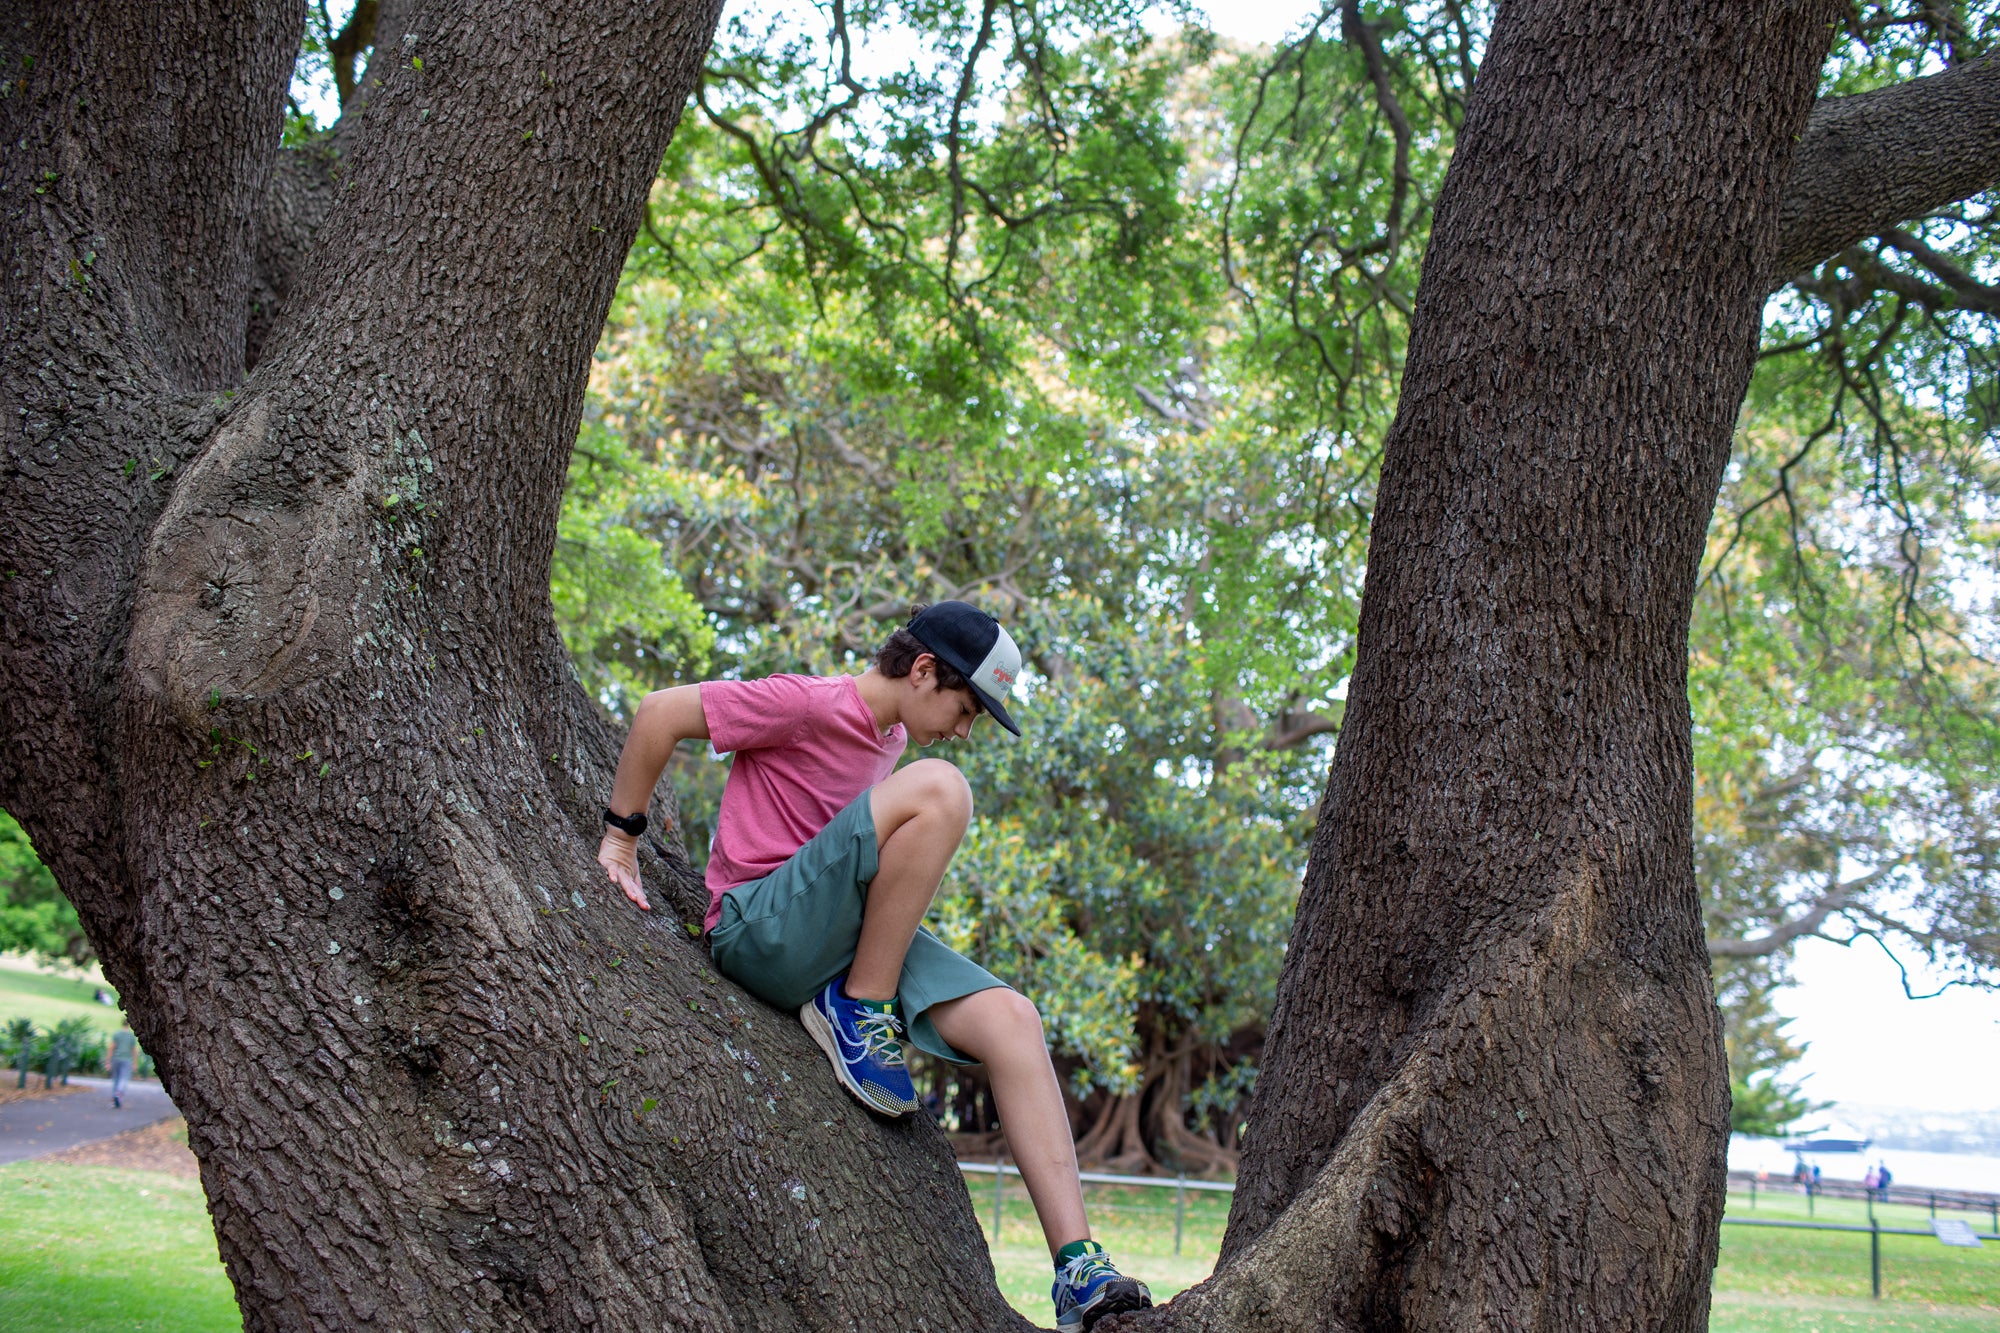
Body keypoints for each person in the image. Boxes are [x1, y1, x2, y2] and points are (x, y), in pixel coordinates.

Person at [597, 603, 1151, 1332]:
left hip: (833, 934)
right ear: (923, 670)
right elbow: (658, 712)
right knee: (944, 788)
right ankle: (862, 1008)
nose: (963, 729)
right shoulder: (808, 702)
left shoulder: (890, 737)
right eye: (965, 708)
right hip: (757, 928)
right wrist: (621, 843)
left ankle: (1079, 1270)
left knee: (1014, 1020)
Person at [108, 1025, 136, 1109]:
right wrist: (135, 1062)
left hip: (116, 1058)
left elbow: (111, 1048)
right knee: (124, 1078)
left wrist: (108, 1061)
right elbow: (134, 1050)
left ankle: (115, 1097)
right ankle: (118, 1093)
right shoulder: (131, 1036)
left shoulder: (117, 1034)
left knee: (116, 1079)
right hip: (127, 1059)